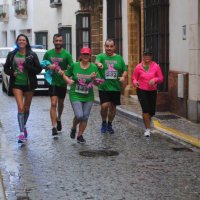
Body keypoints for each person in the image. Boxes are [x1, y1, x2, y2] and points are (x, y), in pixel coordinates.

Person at [4, 34, 42, 145]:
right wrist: (12, 72)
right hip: (17, 84)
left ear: (26, 42)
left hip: (29, 84)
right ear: (17, 42)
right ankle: (21, 133)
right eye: (19, 40)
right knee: (20, 108)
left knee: (26, 108)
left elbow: (38, 69)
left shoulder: (32, 55)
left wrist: (27, 66)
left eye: (23, 40)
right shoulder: (12, 54)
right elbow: (6, 68)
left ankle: (23, 125)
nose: (21, 41)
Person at [63, 47, 102, 143]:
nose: (85, 56)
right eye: (83, 54)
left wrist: (94, 79)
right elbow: (65, 74)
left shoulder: (93, 67)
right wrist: (67, 80)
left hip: (88, 96)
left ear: (90, 56)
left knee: (85, 116)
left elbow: (98, 83)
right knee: (79, 115)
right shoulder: (74, 65)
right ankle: (73, 127)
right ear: (80, 55)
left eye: (87, 54)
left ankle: (80, 135)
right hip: (75, 94)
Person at [43, 33, 73, 137]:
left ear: (62, 42)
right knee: (53, 103)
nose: (58, 42)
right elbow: (43, 65)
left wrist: (64, 72)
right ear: (53, 41)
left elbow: (71, 68)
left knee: (60, 104)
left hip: (62, 83)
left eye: (60, 41)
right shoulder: (48, 53)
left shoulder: (67, 54)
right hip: (52, 82)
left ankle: (59, 118)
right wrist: (48, 66)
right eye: (56, 41)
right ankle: (54, 127)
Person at [95, 39, 128, 134]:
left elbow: (124, 69)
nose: (109, 48)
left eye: (111, 46)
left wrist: (123, 76)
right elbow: (97, 61)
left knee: (113, 108)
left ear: (114, 47)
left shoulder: (119, 58)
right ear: (104, 46)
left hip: (115, 87)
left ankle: (109, 124)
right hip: (104, 87)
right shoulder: (101, 56)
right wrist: (99, 63)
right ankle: (103, 122)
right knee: (104, 106)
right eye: (107, 46)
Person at [132, 49, 164, 137]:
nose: (147, 57)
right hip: (141, 90)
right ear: (143, 56)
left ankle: (147, 122)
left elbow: (161, 78)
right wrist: (135, 83)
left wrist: (155, 79)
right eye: (146, 55)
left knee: (151, 111)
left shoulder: (156, 66)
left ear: (151, 56)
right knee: (145, 109)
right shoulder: (138, 67)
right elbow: (134, 78)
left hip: (152, 91)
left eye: (149, 55)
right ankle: (147, 129)